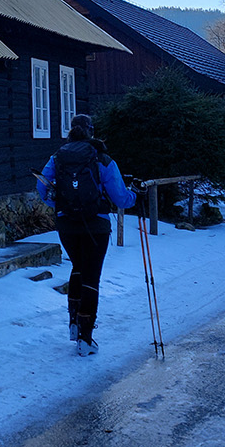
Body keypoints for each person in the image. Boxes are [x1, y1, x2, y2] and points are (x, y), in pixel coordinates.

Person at [37, 113, 135, 356]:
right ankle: (85, 337)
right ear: (91, 131)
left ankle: (74, 325)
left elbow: (42, 187)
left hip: (67, 224)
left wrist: (61, 205)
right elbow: (120, 198)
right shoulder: (102, 158)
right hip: (96, 224)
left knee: (78, 268)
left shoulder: (58, 156)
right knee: (91, 275)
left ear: (70, 130)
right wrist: (135, 196)